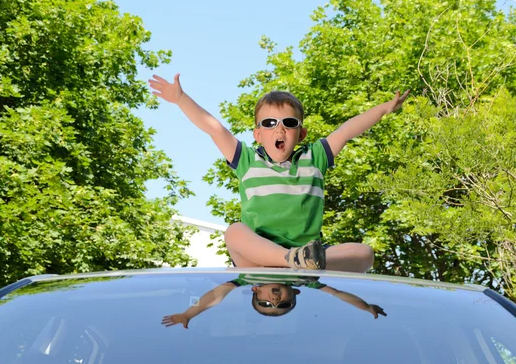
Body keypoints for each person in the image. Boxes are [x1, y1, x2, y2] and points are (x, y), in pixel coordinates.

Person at [149, 73, 409, 271]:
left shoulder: (314, 158)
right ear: (258, 135)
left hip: (309, 257)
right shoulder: (247, 160)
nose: (280, 129)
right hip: (258, 259)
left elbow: (348, 129)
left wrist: (384, 108)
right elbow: (215, 128)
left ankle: (300, 259)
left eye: (289, 123)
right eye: (270, 123)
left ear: (301, 133)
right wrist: (180, 98)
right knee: (234, 232)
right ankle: (289, 260)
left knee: (364, 253)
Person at [161, 273, 387, 328]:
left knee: (236, 233)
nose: (275, 300)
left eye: (266, 304)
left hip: (255, 235)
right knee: (362, 255)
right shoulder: (304, 279)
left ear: (255, 290)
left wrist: (188, 314)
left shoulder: (248, 276)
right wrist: (366, 306)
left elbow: (216, 296)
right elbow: (337, 293)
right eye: (284, 305)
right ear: (297, 293)